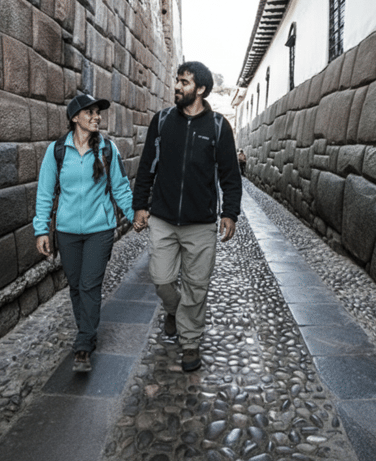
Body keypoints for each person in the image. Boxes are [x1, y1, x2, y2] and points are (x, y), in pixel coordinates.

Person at [132, 61, 242, 372]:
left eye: (184, 82)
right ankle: (173, 309)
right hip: (163, 218)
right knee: (161, 279)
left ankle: (190, 342)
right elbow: (146, 166)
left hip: (201, 224)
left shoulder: (218, 126)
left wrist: (229, 213)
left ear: (201, 89)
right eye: (177, 80)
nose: (177, 87)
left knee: (197, 286)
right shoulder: (163, 120)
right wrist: (140, 205)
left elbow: (230, 176)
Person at [33, 93, 135, 373]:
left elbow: (121, 188)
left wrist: (134, 216)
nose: (96, 117)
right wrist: (41, 229)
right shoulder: (57, 151)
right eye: (90, 112)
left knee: (90, 285)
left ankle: (84, 343)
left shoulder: (107, 149)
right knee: (76, 286)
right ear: (75, 117)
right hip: (67, 232)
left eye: (98, 112)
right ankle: (86, 331)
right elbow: (45, 192)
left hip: (99, 230)